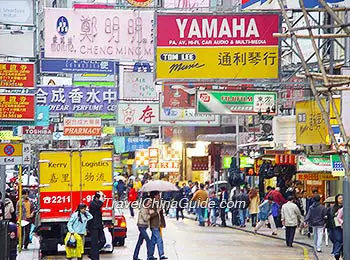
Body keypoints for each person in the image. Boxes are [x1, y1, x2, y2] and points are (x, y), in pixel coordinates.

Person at [149, 191, 168, 260]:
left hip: (158, 224)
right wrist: (157, 211)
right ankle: (161, 255)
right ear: (155, 196)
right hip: (154, 225)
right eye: (158, 195)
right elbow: (150, 215)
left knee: (153, 241)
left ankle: (150, 255)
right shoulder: (151, 204)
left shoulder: (159, 203)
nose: (159, 196)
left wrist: (163, 223)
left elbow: (161, 215)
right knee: (159, 239)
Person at [88, 192, 106, 260]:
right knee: (94, 243)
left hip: (99, 226)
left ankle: (91, 253)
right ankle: (94, 257)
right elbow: (99, 205)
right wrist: (101, 200)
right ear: (96, 198)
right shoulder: (92, 204)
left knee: (103, 240)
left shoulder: (96, 203)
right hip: (94, 226)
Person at [330, 194, 343, 260]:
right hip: (337, 226)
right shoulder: (334, 207)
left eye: (342, 198)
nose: (341, 199)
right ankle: (337, 253)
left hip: (345, 227)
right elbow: (332, 217)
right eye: (340, 198)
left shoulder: (346, 206)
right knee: (338, 239)